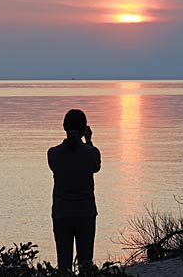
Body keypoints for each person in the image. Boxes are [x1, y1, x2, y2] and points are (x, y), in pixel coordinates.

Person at [47, 109, 101, 271]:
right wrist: (89, 141)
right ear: (84, 129)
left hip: (62, 213)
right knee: (85, 263)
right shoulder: (91, 152)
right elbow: (95, 167)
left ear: (64, 126)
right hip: (86, 213)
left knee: (64, 264)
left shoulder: (53, 153)